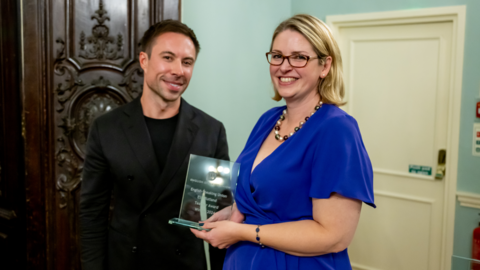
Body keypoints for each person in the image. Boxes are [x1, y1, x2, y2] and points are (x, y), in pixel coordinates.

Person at [191, 14, 375, 270]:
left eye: (299, 57)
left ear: (325, 66)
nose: (284, 66)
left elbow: (334, 236)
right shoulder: (268, 120)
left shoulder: (336, 129)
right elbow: (267, 199)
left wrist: (242, 232)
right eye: (277, 56)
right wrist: (232, 213)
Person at [79, 20, 229, 270]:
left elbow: (221, 216)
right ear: (144, 60)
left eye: (187, 62)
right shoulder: (107, 128)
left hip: (185, 262)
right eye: (167, 57)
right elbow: (92, 214)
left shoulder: (210, 131)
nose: (178, 70)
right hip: (127, 261)